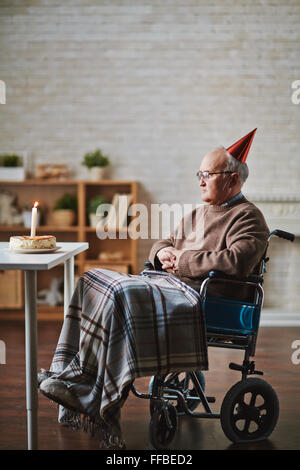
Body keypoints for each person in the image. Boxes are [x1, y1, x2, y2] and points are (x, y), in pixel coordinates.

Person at [39, 128, 269, 449]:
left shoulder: (248, 217)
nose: (200, 180)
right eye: (199, 174)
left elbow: (238, 260)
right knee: (92, 281)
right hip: (167, 285)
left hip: (202, 297)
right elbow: (166, 243)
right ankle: (71, 375)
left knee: (121, 292)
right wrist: (160, 252)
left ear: (232, 179)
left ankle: (93, 393)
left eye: (208, 174)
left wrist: (184, 261)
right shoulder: (195, 213)